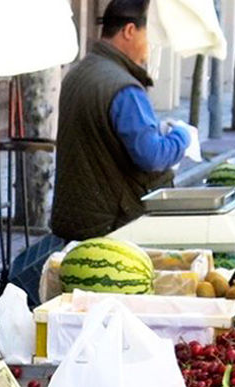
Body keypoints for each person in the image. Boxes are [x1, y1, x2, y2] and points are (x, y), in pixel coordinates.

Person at [49, 0, 195, 242]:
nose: (150, 46)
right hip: (112, 224)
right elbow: (152, 156)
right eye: (149, 35)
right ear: (129, 30)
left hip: (78, 218)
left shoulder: (79, 72)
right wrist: (182, 136)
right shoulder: (124, 89)